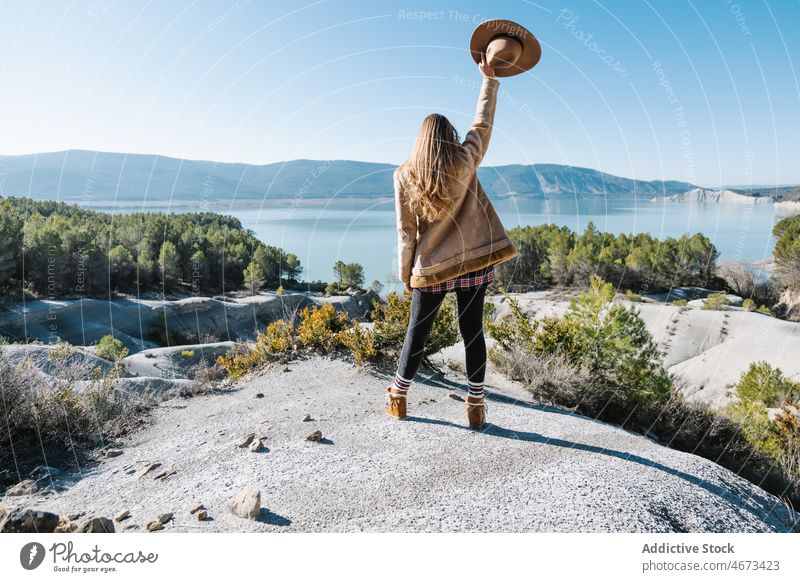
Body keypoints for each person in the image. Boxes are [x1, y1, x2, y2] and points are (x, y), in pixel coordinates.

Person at [387, 52, 519, 428]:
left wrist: (405, 274)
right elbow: (482, 123)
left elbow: (405, 232)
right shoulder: (465, 160)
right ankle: (475, 406)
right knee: (472, 332)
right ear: (449, 139)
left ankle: (398, 397)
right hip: (474, 264)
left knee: (417, 333)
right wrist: (489, 80)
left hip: (431, 268)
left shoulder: (404, 176)